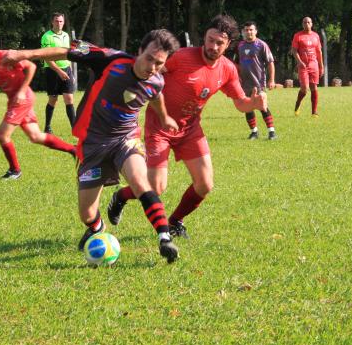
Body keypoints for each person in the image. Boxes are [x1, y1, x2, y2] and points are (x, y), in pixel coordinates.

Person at [2, 30, 182, 263]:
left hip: (126, 138)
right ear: (139, 51)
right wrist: (21, 54)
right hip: (93, 143)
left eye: (159, 63)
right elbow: (66, 51)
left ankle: (164, 238)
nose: (152, 67)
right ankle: (96, 228)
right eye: (149, 58)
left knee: (140, 181)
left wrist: (165, 117)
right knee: (86, 213)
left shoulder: (157, 80)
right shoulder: (110, 59)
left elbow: (156, 95)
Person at [107, 14, 267, 240]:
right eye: (210, 39)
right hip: (160, 126)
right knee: (156, 187)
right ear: (205, 36)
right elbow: (151, 71)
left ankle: (175, 221)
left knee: (205, 184)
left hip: (190, 129)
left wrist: (254, 104)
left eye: (219, 43)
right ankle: (121, 196)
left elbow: (240, 102)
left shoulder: (227, 69)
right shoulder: (181, 57)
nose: (212, 46)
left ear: (228, 44)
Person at [0, 30, 77, 180]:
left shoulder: (5, 56)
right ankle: (74, 150)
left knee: (2, 135)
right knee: (35, 136)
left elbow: (31, 67)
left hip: (23, 99)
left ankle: (15, 171)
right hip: (13, 100)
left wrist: (22, 91)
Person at [234, 20, 277, 140]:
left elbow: (270, 63)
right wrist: (237, 77)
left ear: (256, 31)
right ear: (243, 32)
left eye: (251, 30)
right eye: (246, 30)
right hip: (244, 83)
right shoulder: (240, 46)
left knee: (262, 106)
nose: (249, 32)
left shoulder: (261, 45)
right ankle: (254, 132)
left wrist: (272, 79)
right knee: (247, 107)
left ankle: (271, 132)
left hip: (258, 83)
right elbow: (236, 63)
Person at [40, 12, 75, 133]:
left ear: (63, 22)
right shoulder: (46, 37)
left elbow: (67, 55)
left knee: (69, 98)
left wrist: (70, 71)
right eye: (56, 21)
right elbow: (47, 58)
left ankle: (75, 129)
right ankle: (47, 127)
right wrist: (59, 71)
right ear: (52, 22)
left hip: (66, 69)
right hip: (52, 71)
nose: (59, 23)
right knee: (53, 99)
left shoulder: (66, 35)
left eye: (61, 21)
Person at [291, 16, 324, 117]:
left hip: (313, 64)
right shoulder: (298, 36)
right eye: (305, 22)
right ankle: (298, 104)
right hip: (303, 65)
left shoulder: (316, 36)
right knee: (305, 88)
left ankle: (314, 112)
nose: (307, 24)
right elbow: (294, 51)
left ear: (312, 24)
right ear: (302, 24)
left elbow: (319, 51)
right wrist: (299, 61)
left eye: (309, 22)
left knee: (314, 87)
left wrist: (321, 66)